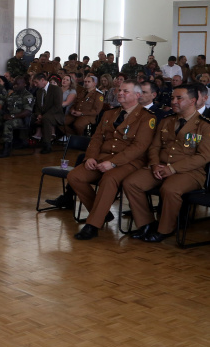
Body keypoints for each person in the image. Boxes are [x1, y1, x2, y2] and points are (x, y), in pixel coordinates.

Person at [65, 80, 155, 239]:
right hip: (103, 157)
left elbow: (139, 147)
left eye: (125, 91)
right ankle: (102, 213)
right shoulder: (109, 114)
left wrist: (113, 163)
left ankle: (93, 225)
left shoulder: (146, 117)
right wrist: (90, 157)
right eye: (119, 90)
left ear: (137, 95)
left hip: (129, 161)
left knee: (109, 179)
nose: (120, 93)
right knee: (75, 176)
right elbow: (97, 138)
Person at [122, 83, 210, 243]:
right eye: (172, 98)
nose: (173, 101)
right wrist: (155, 164)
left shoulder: (205, 125)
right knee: (131, 183)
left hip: (189, 172)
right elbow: (154, 146)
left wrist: (173, 168)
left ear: (192, 101)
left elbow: (203, 156)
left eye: (179, 98)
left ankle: (165, 229)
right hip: (160, 166)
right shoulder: (166, 120)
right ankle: (146, 224)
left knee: (170, 189)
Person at [0, 75, 34, 158]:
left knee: (8, 124)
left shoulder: (27, 95)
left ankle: (6, 149)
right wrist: (4, 114)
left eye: (17, 84)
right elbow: (5, 106)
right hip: (10, 116)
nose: (14, 86)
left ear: (24, 84)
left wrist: (13, 116)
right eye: (14, 84)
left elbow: (27, 111)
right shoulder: (12, 94)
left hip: (21, 119)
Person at [31, 72, 64, 154]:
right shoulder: (39, 91)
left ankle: (47, 144)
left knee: (46, 119)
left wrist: (44, 115)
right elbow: (37, 106)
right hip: (43, 114)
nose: (35, 84)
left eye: (36, 82)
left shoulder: (56, 89)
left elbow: (57, 106)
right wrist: (38, 114)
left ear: (42, 80)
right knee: (29, 117)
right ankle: (24, 140)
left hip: (55, 114)